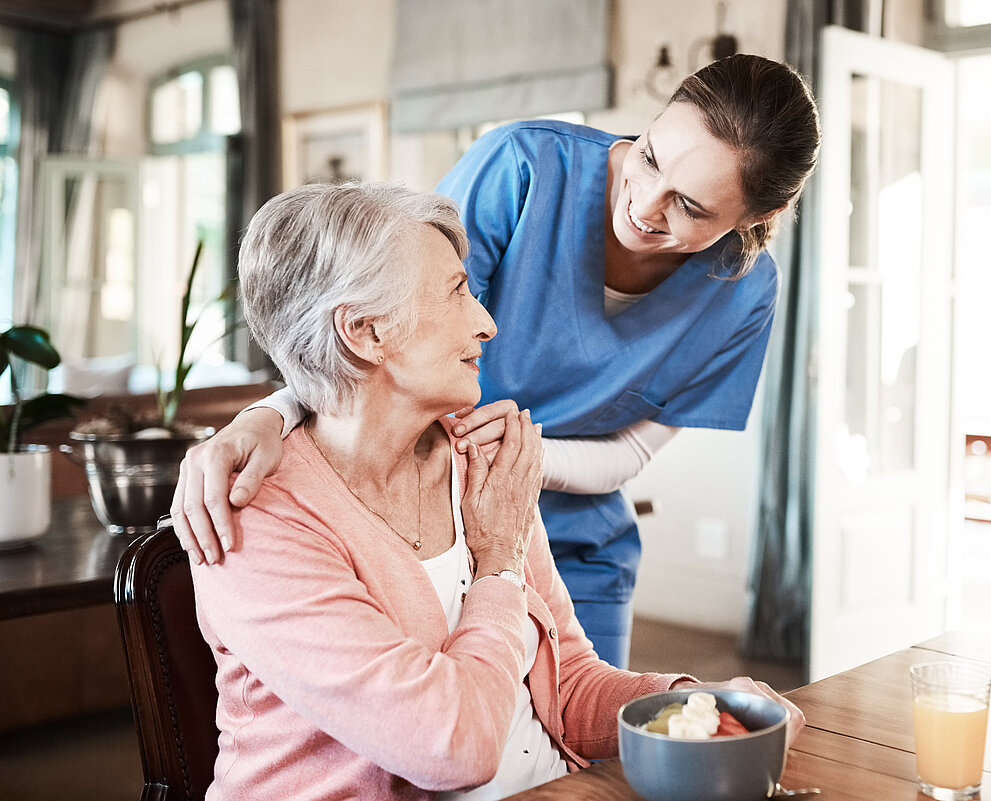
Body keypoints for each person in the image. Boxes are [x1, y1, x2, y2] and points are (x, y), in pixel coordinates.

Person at [172, 54, 821, 668]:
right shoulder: (523, 167)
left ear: (758, 216)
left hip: (575, 540)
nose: (644, 204)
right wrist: (270, 413)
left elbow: (632, 453)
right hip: (427, 520)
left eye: (689, 206)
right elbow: (374, 322)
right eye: (649, 157)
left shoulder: (744, 294)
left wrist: (521, 461)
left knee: (583, 760)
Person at [193, 181, 803, 801]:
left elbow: (568, 687)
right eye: (457, 292)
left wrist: (692, 704)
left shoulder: (481, 462)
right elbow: (453, 746)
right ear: (366, 333)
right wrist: (500, 565)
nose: (486, 324)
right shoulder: (253, 519)